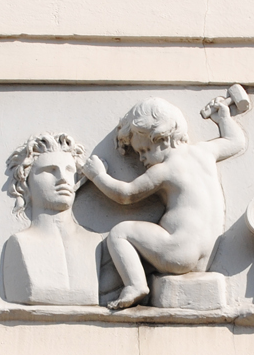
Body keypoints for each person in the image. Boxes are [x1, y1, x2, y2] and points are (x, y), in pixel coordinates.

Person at [82, 97, 246, 309]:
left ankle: (135, 285)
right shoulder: (205, 151)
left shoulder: (165, 169)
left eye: (145, 150)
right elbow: (235, 141)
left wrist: (98, 176)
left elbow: (126, 194)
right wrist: (223, 118)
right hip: (207, 252)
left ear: (162, 138)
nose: (142, 158)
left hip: (179, 249)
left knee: (120, 233)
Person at [4, 132, 116, 305]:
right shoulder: (19, 243)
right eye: (49, 170)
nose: (63, 178)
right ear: (25, 183)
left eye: (69, 170)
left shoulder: (94, 242)